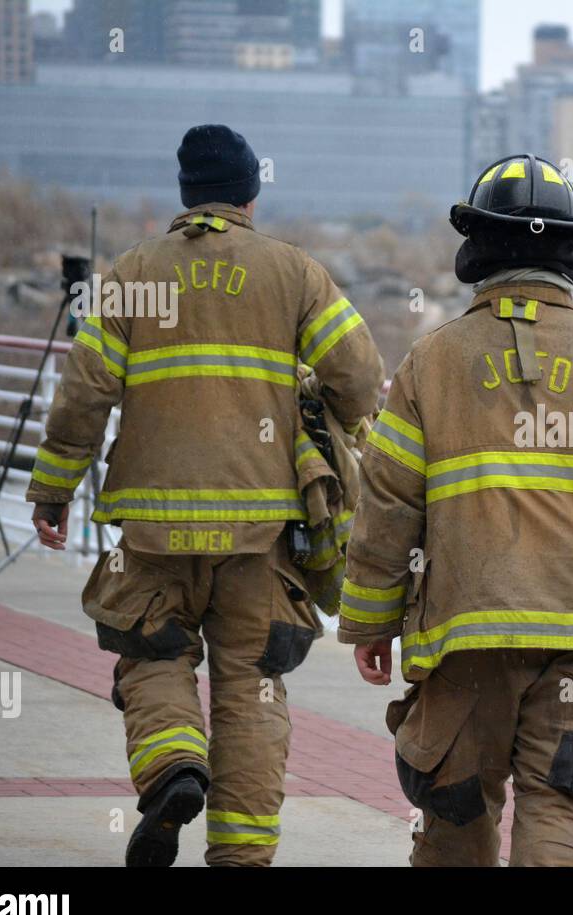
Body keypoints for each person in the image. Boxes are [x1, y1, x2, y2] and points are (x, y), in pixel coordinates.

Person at [27, 124, 384, 866]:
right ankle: (242, 855)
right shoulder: (294, 272)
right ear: (252, 193)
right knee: (252, 688)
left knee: (151, 653)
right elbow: (356, 374)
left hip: (152, 532)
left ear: (185, 196)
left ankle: (173, 766)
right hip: (262, 534)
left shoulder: (132, 273)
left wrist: (54, 486)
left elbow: (84, 392)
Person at [339, 154, 573, 866]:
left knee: (455, 821)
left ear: (478, 251)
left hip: (464, 639)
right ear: (568, 251)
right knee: (559, 814)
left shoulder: (431, 363)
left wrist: (371, 620)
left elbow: (388, 504)